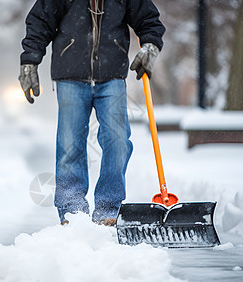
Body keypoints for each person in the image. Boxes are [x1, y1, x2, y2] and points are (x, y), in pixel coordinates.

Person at [19, 0, 165, 225]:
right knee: (70, 146)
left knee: (118, 142)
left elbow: (148, 20)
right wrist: (29, 61)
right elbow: (40, 21)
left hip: (112, 76)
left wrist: (151, 46)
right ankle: (72, 209)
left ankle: (108, 208)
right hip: (70, 75)